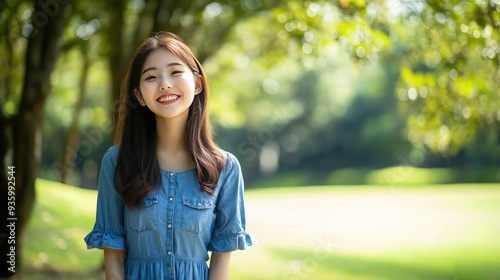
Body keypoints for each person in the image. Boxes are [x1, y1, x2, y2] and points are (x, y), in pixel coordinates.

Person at [84, 31, 256, 280]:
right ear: (139, 96)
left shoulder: (224, 168)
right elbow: (113, 256)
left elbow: (221, 261)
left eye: (175, 72)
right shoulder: (118, 161)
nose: (164, 83)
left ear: (197, 84)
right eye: (151, 77)